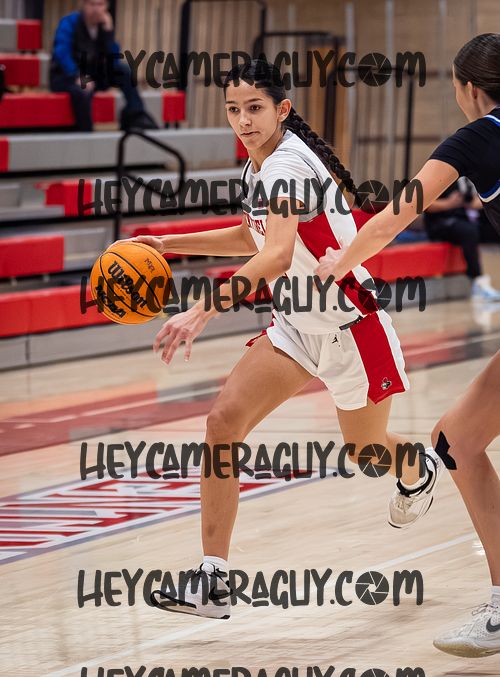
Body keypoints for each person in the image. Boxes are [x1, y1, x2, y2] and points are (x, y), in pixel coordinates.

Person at [122, 59, 442, 620]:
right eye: (233, 110)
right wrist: (169, 244)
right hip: (295, 325)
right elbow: (253, 235)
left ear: (282, 110)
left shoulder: (288, 164)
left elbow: (273, 256)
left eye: (255, 108)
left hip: (350, 327)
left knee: (366, 451)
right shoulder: (260, 165)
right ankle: (213, 579)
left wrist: (201, 310)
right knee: (223, 424)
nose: (243, 120)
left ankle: (419, 469)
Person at [315, 33, 500, 658]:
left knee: (457, 441)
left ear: (468, 88)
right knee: (456, 439)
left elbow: (397, 214)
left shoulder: (475, 138)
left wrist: (340, 260)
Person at [49, 0, 155, 132]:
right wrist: (77, 75)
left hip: (92, 75)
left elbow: (113, 60)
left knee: (123, 71)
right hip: (66, 77)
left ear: (106, 7)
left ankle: (135, 115)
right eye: (92, 4)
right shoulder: (69, 22)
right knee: (83, 91)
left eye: (100, 4)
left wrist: (108, 33)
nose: (96, 9)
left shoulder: (103, 26)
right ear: (83, 5)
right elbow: (61, 52)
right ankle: (86, 133)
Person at [424, 179, 500, 300]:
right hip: (440, 224)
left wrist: (478, 202)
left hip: (464, 221)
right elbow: (424, 205)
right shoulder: (442, 177)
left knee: (492, 229)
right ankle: (477, 280)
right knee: (469, 231)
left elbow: (473, 202)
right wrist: (448, 203)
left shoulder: (470, 180)